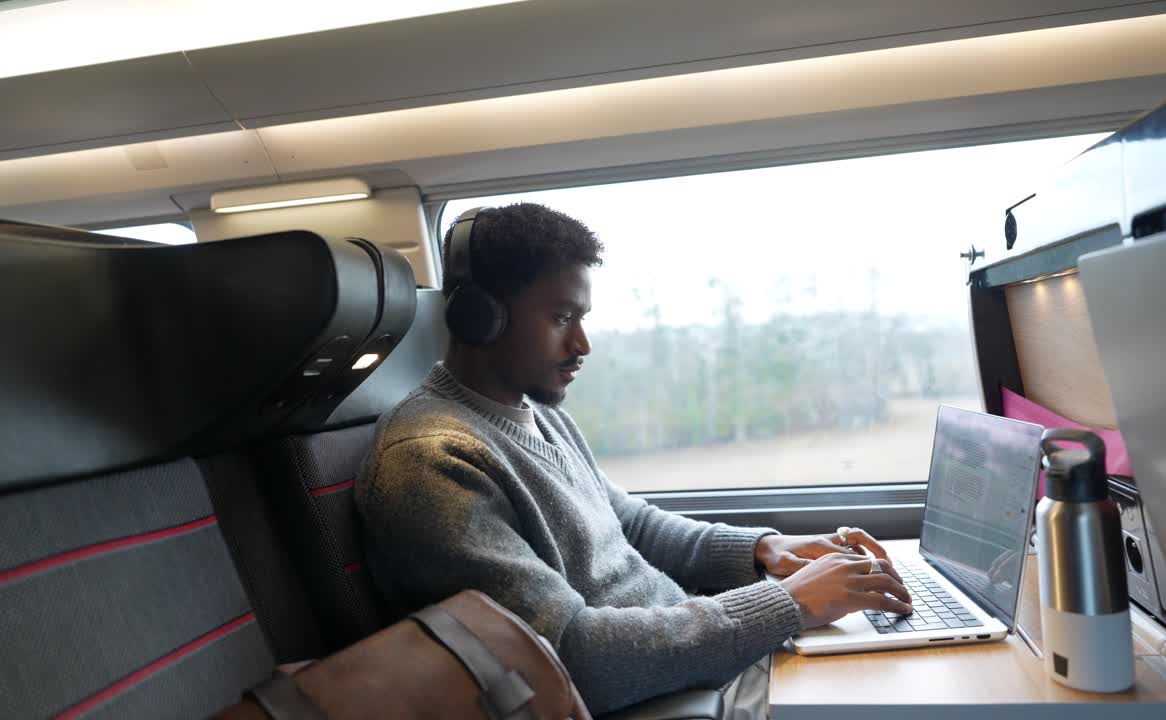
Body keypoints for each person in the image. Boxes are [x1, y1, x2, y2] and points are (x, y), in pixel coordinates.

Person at [355, 203, 913, 718]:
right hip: (670, 701)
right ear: (481, 317)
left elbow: (631, 524)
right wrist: (786, 603)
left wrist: (763, 551)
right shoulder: (430, 462)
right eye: (561, 318)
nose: (583, 344)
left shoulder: (534, 412)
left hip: (702, 671)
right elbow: (569, 658)